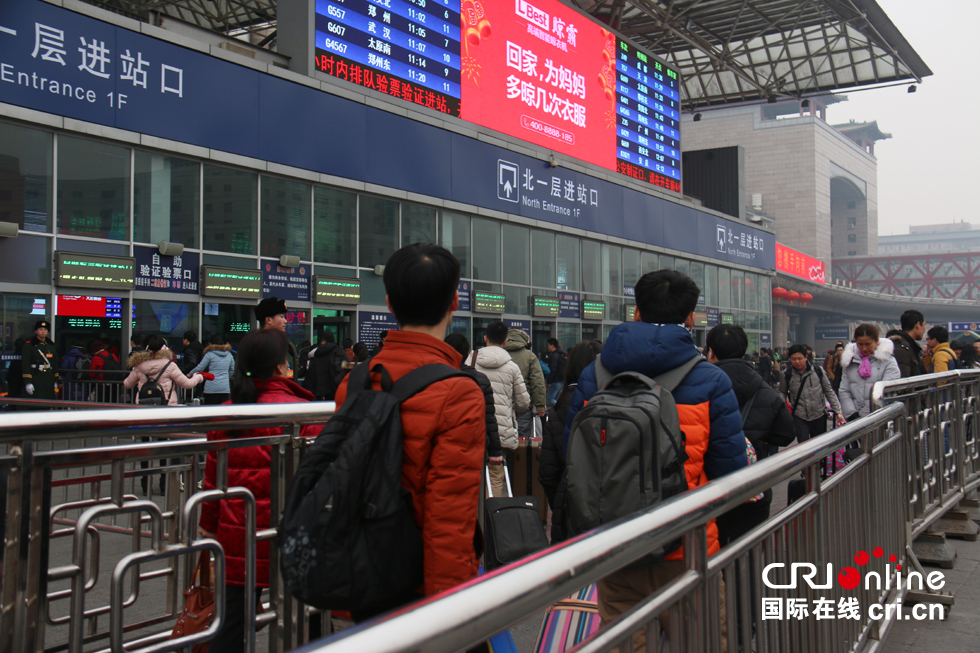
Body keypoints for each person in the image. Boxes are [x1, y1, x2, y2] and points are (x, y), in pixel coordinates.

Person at [562, 270, 748, 649]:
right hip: (689, 545)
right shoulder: (711, 380)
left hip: (617, 544)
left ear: (635, 313)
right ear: (691, 319)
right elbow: (731, 473)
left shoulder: (593, 376)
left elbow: (574, 458)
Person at [334, 243, 485, 599]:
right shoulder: (459, 392)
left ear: (389, 304)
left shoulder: (354, 381)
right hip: (417, 582)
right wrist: (448, 611)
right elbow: (448, 517)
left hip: (361, 570)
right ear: (454, 303)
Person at [198, 328, 322, 653]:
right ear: (282, 365)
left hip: (240, 536)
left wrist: (208, 527)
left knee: (230, 625)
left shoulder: (227, 411)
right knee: (309, 619)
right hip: (294, 534)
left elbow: (213, 483)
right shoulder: (306, 413)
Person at [706, 325, 794, 545]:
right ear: (744, 351)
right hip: (754, 483)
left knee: (713, 554)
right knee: (748, 551)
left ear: (711, 352)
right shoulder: (765, 391)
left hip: (710, 486)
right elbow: (785, 435)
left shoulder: (700, 387)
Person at [539, 339, 601, 543]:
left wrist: (562, 499)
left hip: (569, 515)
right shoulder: (616, 401)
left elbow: (548, 474)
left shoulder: (557, 411)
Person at [471, 320, 530, 497]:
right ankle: (492, 515)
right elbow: (523, 403)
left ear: (485, 338)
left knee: (472, 475)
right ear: (505, 342)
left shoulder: (471, 360)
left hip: (474, 428)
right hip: (501, 430)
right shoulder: (512, 367)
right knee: (496, 476)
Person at [444, 332, 504, 470]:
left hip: (443, 445)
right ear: (468, 353)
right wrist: (495, 451)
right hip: (475, 444)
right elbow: (489, 417)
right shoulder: (480, 379)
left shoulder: (435, 376)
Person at [779, 343, 843, 442]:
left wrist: (837, 410)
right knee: (804, 445)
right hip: (799, 415)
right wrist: (782, 401)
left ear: (806, 357)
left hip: (818, 414)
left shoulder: (818, 371)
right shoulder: (786, 375)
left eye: (800, 359)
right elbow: (782, 391)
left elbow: (828, 391)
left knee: (818, 444)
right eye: (793, 359)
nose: (797, 362)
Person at [124, 335, 209, 406]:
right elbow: (187, 384)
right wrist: (198, 377)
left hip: (144, 406)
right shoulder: (170, 366)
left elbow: (127, 384)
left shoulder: (139, 366)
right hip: (167, 406)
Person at [839, 323, 901, 420]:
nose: (864, 348)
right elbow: (844, 390)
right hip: (854, 420)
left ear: (876, 341)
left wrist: (866, 417)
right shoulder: (849, 361)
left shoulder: (888, 361)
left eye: (868, 344)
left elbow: (887, 392)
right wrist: (852, 415)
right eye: (860, 344)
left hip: (879, 418)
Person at [503, 328, 546, 443]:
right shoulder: (529, 356)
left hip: (501, 405)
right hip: (522, 406)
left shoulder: (499, 354)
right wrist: (540, 405)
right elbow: (537, 382)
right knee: (521, 439)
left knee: (502, 438)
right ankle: (519, 460)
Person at [189, 334, 236, 405]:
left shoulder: (209, 354)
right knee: (223, 412)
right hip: (224, 388)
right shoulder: (229, 354)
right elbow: (233, 369)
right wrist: (226, 378)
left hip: (211, 388)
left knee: (210, 411)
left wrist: (190, 374)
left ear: (210, 344)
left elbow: (200, 367)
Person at [255, 297, 297, 375]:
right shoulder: (255, 346)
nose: (285, 321)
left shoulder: (288, 347)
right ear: (269, 320)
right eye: (281, 317)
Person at [304, 332, 348, 401]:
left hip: (320, 392)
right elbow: (346, 370)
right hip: (336, 390)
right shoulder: (340, 353)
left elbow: (311, 374)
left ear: (323, 341)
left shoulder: (317, 354)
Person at [21, 320, 58, 399]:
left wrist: (55, 379)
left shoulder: (51, 345)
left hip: (48, 377)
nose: (43, 332)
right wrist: (28, 382)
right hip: (36, 376)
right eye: (41, 330)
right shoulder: (29, 345)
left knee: (48, 400)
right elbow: (25, 363)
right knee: (36, 401)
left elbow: (54, 362)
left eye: (45, 330)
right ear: (36, 331)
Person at [890, 310, 926, 378]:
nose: (924, 329)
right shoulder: (902, 350)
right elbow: (903, 382)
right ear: (918, 325)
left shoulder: (910, 347)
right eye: (924, 325)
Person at [543, 338, 566, 407]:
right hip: (561, 380)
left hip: (555, 380)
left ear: (552, 346)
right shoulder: (560, 354)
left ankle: (562, 408)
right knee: (557, 399)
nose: (547, 347)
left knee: (550, 399)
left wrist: (549, 381)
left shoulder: (554, 356)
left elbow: (552, 369)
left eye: (548, 345)